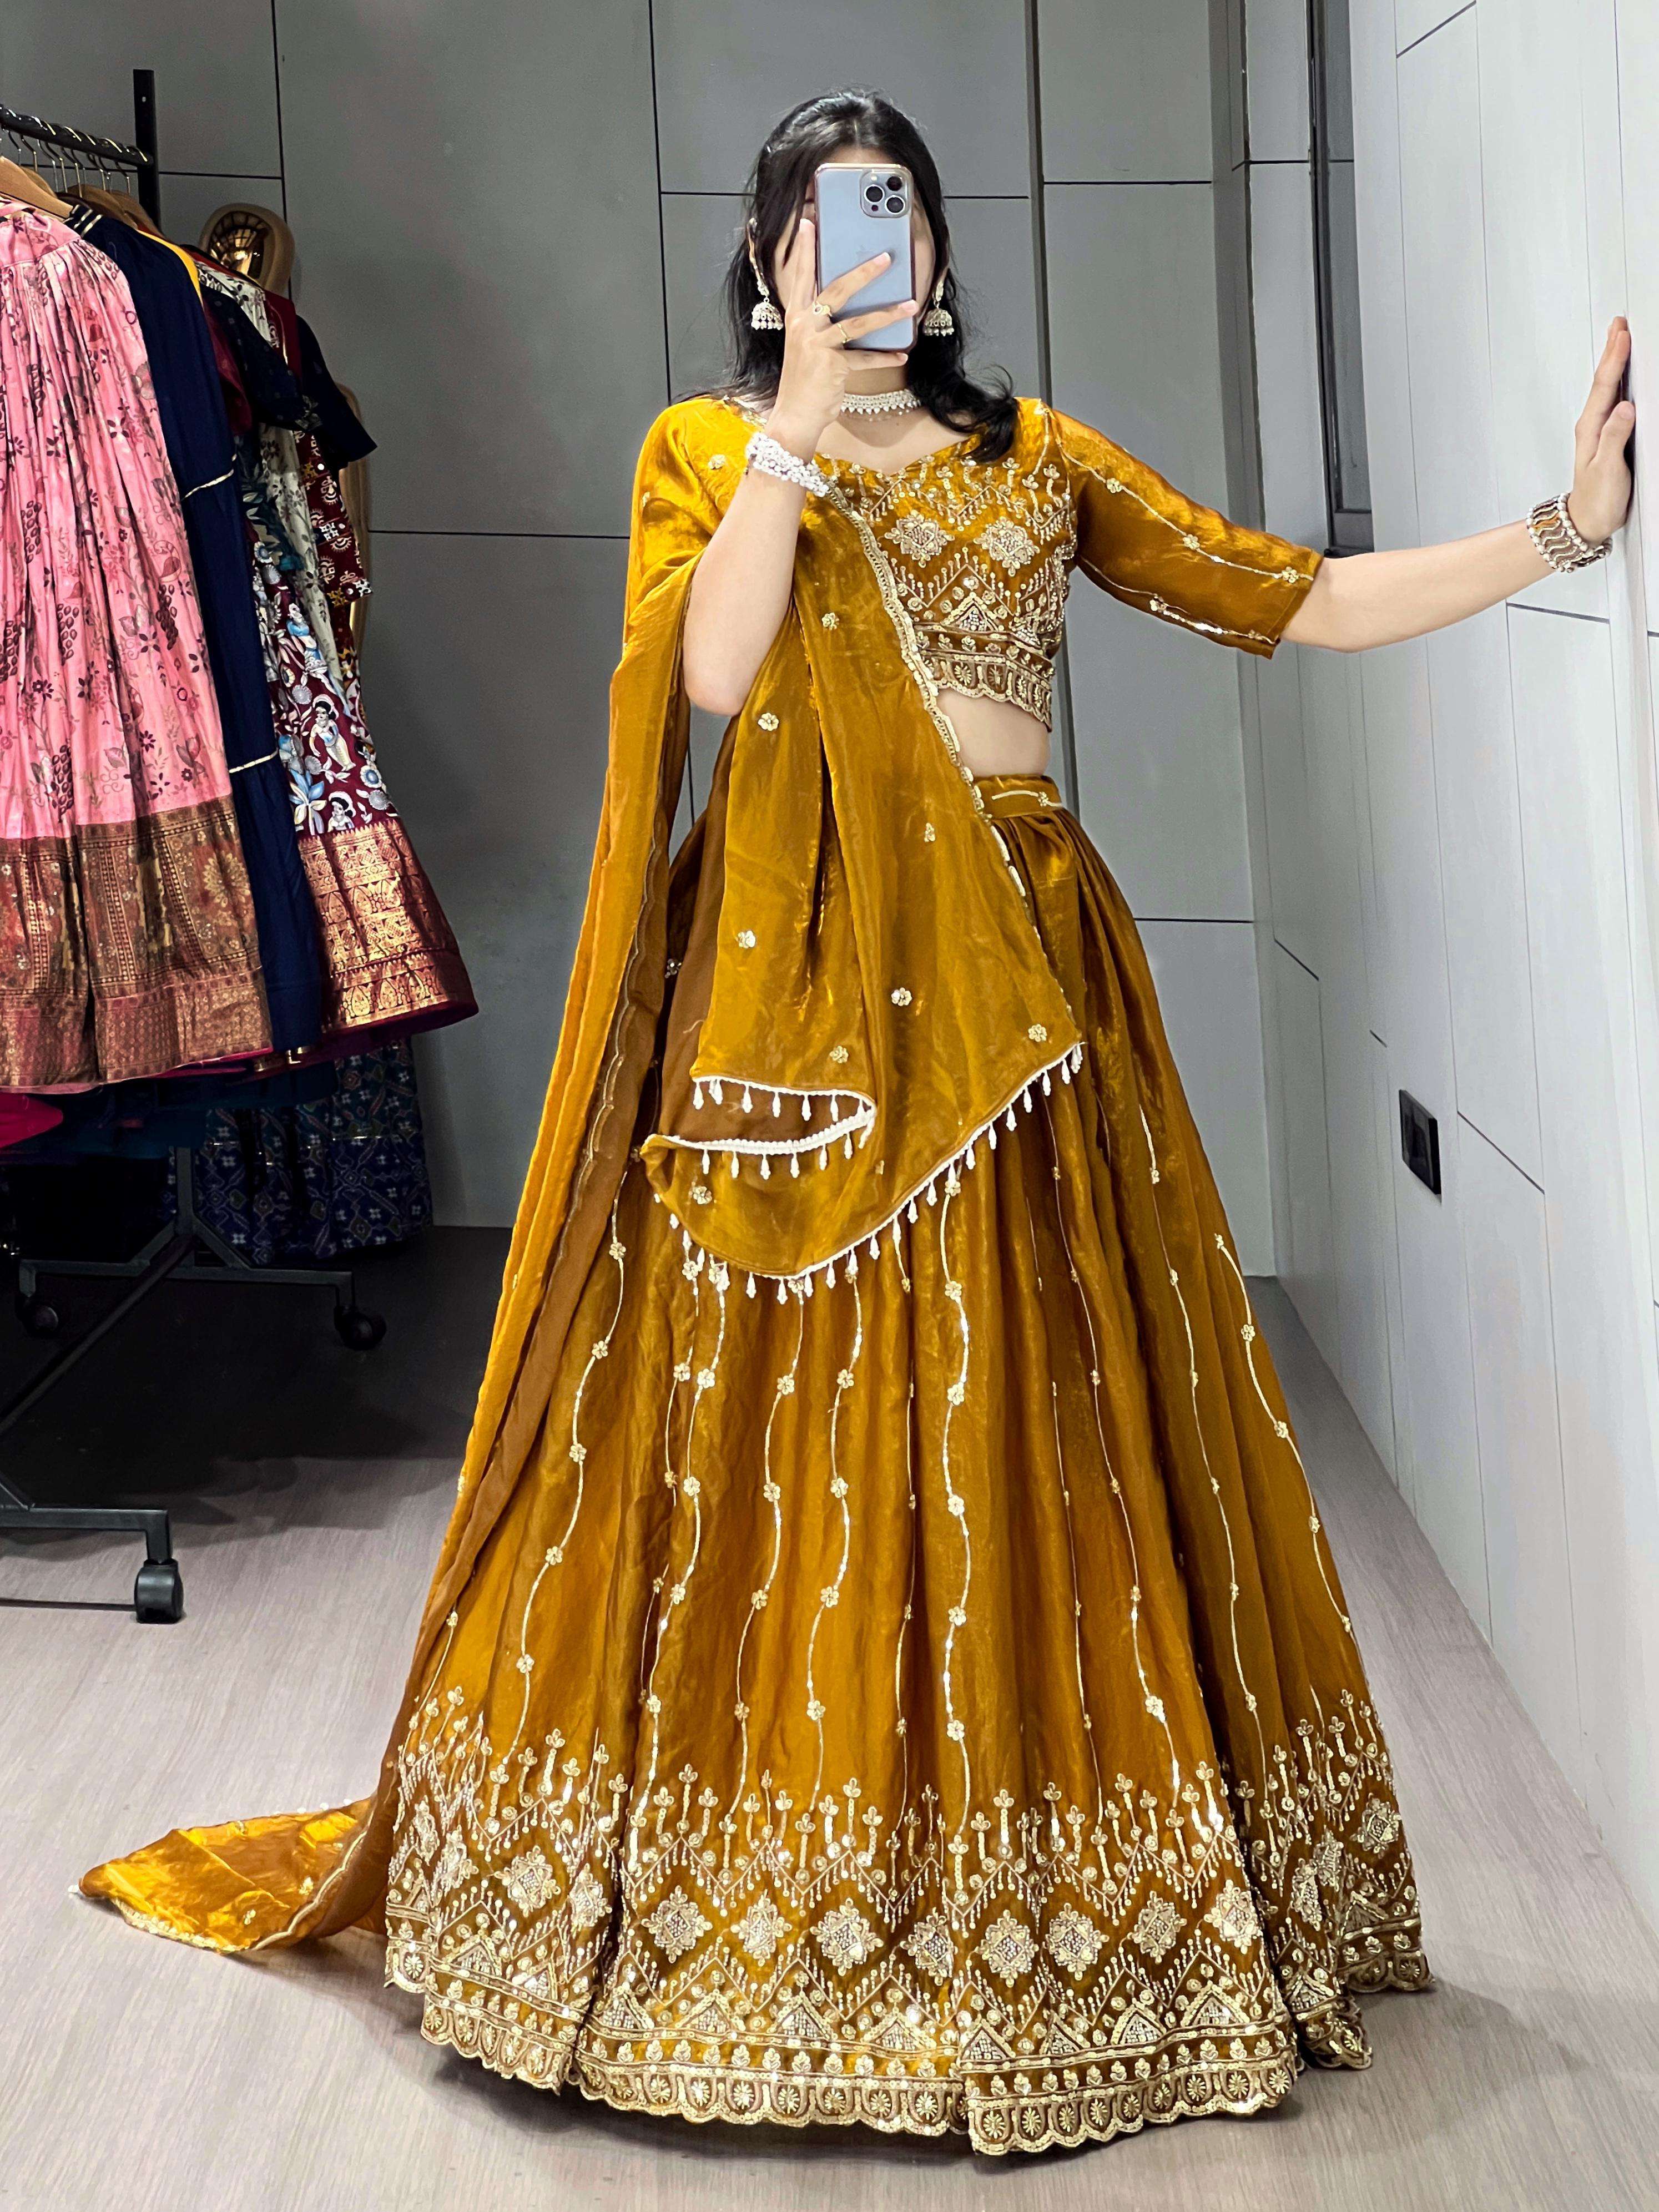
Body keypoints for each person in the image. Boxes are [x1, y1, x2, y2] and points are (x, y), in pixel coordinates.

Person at [81, 90, 1634, 2159]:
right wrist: (799, 427)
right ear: (767, 267)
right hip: (789, 1012)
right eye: (825, 230)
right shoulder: (710, 454)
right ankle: (766, 1919)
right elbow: (716, 676)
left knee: (1044, 1429)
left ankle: (1052, 1908)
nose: (870, 258)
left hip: (1025, 997)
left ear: (944, 255)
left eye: (896, 218)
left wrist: (1564, 532)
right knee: (762, 1441)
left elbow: (1289, 600)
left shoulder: (1034, 456)